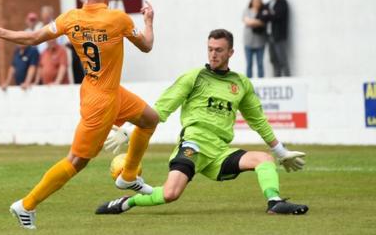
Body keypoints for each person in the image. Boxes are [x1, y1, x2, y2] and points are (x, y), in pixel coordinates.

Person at [0, 0, 159, 229]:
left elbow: (33, 37)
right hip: (103, 101)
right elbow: (147, 46)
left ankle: (128, 176)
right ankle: (26, 205)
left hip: (99, 89)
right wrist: (149, 20)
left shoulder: (70, 18)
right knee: (76, 161)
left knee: (150, 120)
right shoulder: (119, 19)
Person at [96, 29, 309, 216]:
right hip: (193, 145)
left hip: (219, 152)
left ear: (230, 53)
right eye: (210, 49)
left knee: (264, 158)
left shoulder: (241, 83)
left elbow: (258, 121)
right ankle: (127, 202)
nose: (213, 54)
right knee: (170, 194)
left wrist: (281, 152)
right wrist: (130, 129)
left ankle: (274, 202)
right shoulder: (195, 76)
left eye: (219, 50)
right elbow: (162, 108)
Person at [263, 0, 290, 77]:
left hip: (279, 36)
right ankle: (277, 80)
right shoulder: (269, 3)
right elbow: (263, 15)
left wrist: (268, 14)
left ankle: (288, 80)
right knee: (273, 60)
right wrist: (271, 13)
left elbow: (278, 16)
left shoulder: (282, 1)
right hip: (270, 36)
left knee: (282, 59)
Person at [243, 0, 267, 78]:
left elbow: (264, 22)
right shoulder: (247, 10)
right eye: (254, 1)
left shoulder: (263, 11)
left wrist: (253, 22)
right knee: (249, 64)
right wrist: (258, 22)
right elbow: (247, 22)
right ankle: (248, 84)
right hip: (248, 42)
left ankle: (261, 82)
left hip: (260, 42)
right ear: (251, 2)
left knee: (260, 64)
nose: (256, 2)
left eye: (258, 1)